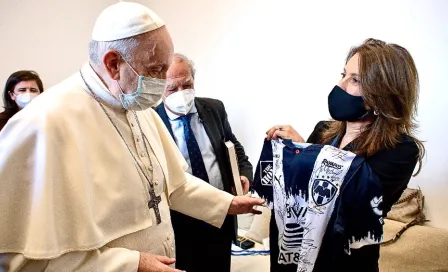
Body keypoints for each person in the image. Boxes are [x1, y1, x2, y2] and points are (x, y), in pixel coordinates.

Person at [0, 2, 263, 272]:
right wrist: (128, 264)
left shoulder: (135, 104)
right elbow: (21, 261)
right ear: (113, 64)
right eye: (156, 70)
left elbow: (171, 184)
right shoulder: (42, 125)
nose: (162, 84)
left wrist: (228, 203)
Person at [264, 38, 425, 272]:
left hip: (346, 262)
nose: (340, 85)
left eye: (355, 80)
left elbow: (350, 201)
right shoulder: (323, 131)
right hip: (296, 253)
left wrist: (305, 152)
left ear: (382, 94)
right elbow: (299, 192)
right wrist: (294, 152)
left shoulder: (401, 150)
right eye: (343, 74)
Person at [154, 53, 253, 272]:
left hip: (221, 213)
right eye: (172, 88)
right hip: (179, 220)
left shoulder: (214, 109)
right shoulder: (151, 121)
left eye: (186, 84)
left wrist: (244, 176)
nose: (181, 93)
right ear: (160, 87)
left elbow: (235, 149)